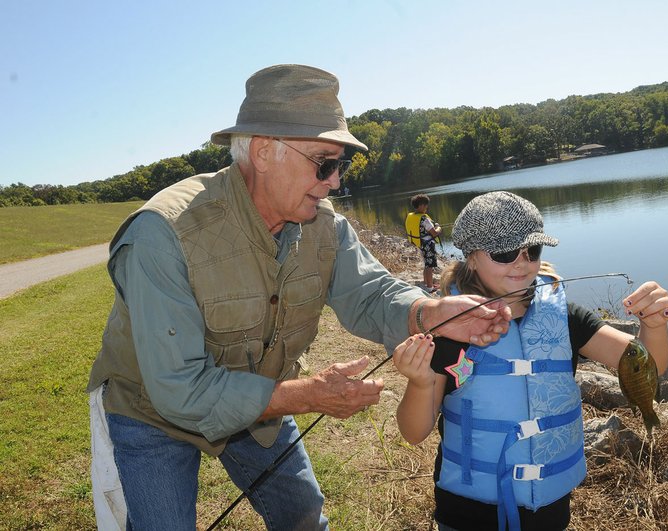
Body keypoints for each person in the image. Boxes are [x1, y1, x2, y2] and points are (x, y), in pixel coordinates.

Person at [86, 65, 512, 531]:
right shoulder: (161, 234)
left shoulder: (324, 225)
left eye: (340, 165)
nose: (334, 181)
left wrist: (430, 312)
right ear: (265, 152)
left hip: (261, 400)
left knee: (303, 516)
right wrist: (308, 395)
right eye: (324, 162)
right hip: (150, 413)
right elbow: (179, 390)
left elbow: (370, 293)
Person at [392, 191, 668, 531]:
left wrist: (654, 325)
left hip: (548, 512)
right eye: (504, 252)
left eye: (533, 250)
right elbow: (414, 432)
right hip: (466, 514)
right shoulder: (450, 331)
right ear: (471, 257)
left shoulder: (567, 318)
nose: (522, 261)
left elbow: (649, 365)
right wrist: (420, 381)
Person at [405, 193, 443, 292]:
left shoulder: (412, 216)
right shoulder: (424, 219)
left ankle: (427, 284)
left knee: (426, 264)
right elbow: (434, 233)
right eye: (426, 205)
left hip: (419, 244)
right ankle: (430, 287)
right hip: (427, 244)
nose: (426, 207)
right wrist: (439, 228)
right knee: (430, 266)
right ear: (421, 205)